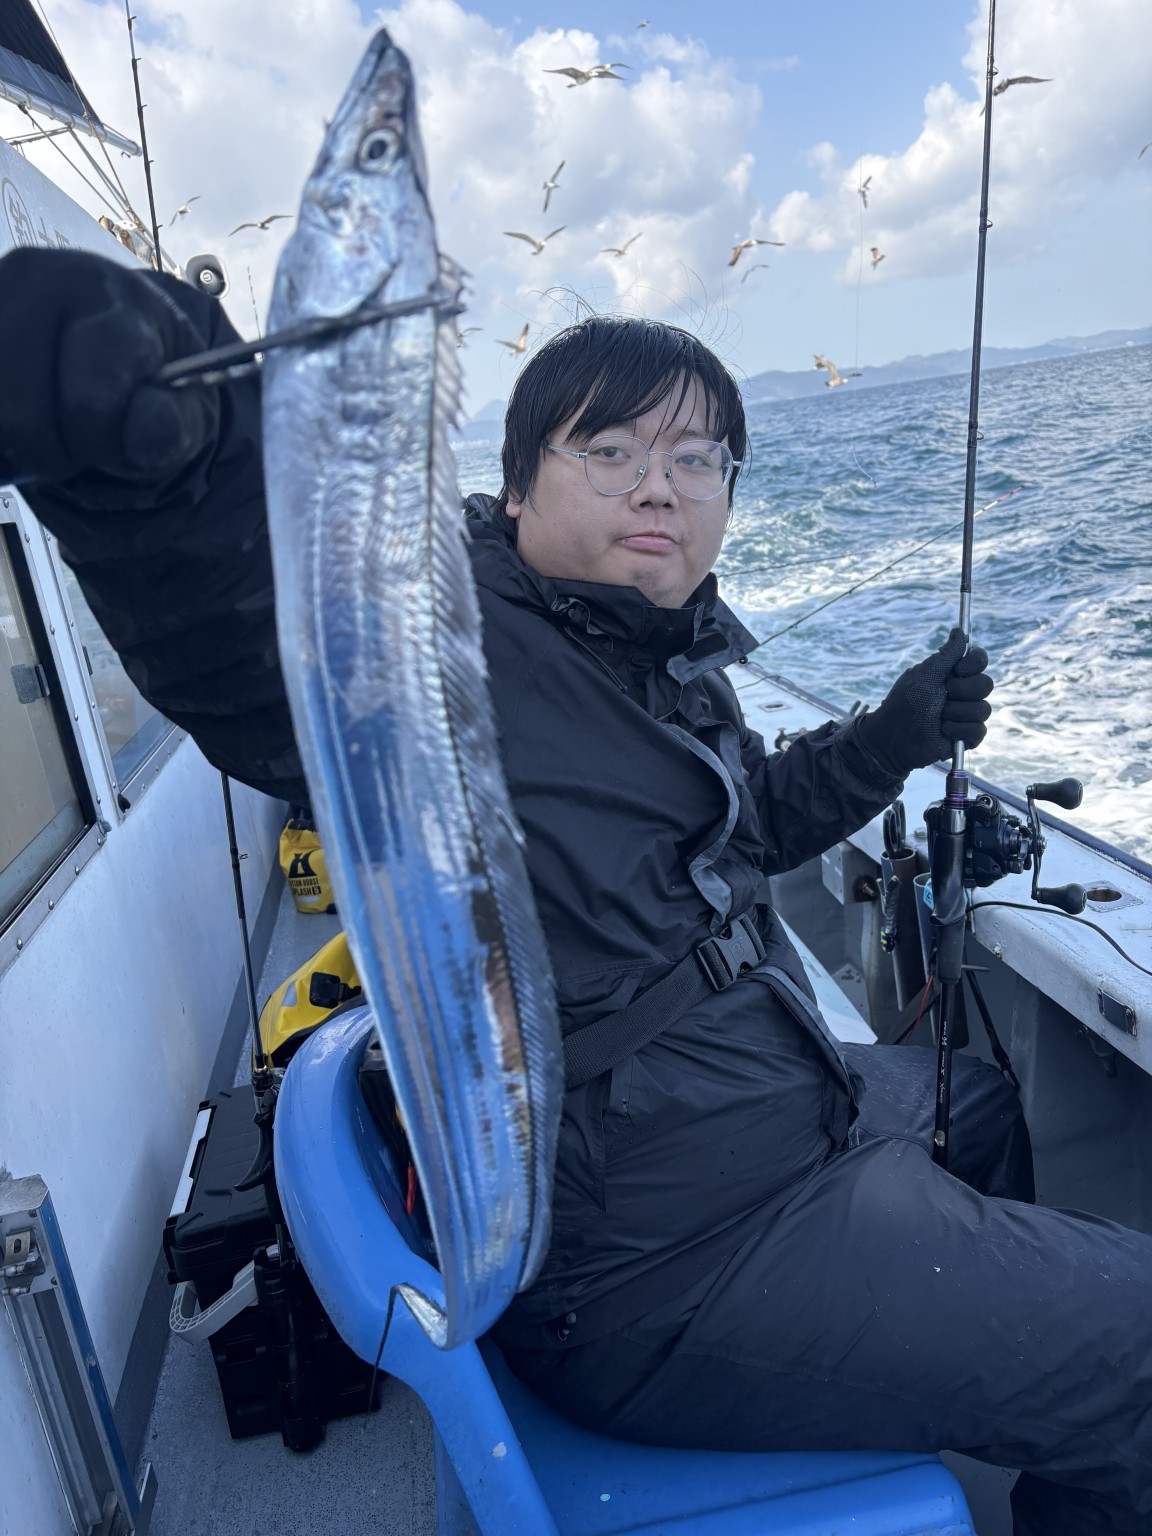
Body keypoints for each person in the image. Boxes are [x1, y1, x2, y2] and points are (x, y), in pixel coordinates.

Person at [2, 248, 1151, 1536]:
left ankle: (1001, 1384)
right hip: (657, 1259)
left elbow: (749, 825)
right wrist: (167, 470)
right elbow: (262, 647)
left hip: (754, 1115)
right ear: (516, 484)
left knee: (980, 1108)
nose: (660, 485)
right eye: (610, 450)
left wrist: (886, 740)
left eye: (698, 458)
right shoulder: (441, 650)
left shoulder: (657, 647)